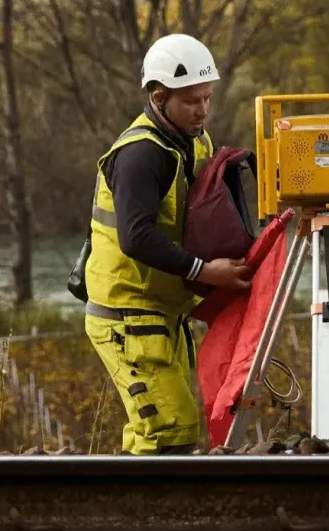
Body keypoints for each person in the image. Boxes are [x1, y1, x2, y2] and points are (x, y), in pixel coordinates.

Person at [83, 33, 252, 454]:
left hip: (162, 315)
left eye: (207, 98)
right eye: (191, 101)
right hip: (127, 315)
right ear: (160, 99)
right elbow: (136, 237)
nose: (203, 110)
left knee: (154, 432)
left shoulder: (196, 140)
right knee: (172, 430)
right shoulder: (140, 155)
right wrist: (204, 271)